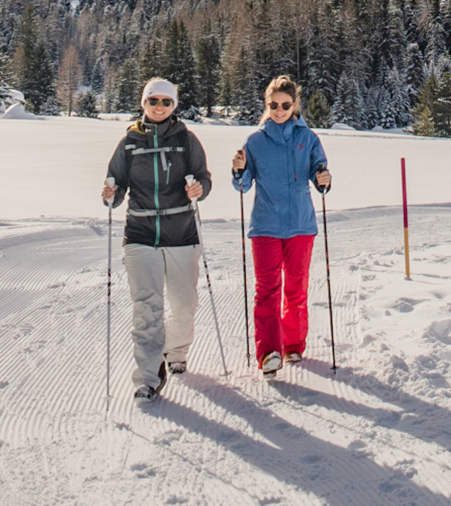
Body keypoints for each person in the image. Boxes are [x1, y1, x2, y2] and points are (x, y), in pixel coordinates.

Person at [102, 77, 213, 401]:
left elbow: (203, 177)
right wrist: (111, 194)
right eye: (154, 101)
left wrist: (200, 189)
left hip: (181, 232)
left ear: (174, 106)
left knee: (183, 306)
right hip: (140, 232)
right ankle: (148, 377)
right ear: (144, 104)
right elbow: (116, 185)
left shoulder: (186, 139)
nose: (160, 107)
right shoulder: (130, 142)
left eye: (166, 102)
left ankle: (175, 351)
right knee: (146, 308)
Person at [231, 75, 332, 377]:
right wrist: (238, 170)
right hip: (265, 227)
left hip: (301, 225)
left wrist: (324, 180)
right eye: (273, 105)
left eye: (285, 105)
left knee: (296, 289)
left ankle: (293, 345)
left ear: (294, 104)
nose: (279, 110)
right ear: (266, 104)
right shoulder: (255, 142)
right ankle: (268, 352)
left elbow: (319, 173)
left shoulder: (308, 138)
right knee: (267, 291)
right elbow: (243, 185)